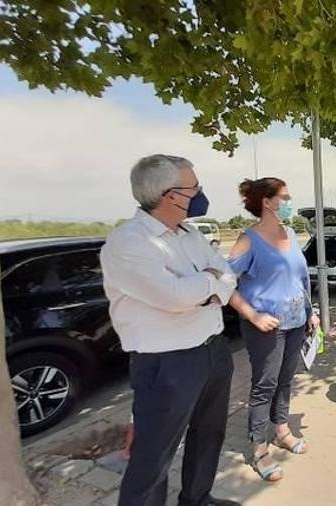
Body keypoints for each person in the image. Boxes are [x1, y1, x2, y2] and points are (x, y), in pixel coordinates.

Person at [100, 154, 239, 506]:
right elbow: (174, 297)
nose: (200, 192)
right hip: (166, 364)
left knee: (209, 433)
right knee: (153, 457)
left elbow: (228, 276)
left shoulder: (190, 234)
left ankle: (197, 498)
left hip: (212, 351)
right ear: (169, 195)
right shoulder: (128, 243)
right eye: (194, 186)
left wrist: (205, 287)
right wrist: (209, 284)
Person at [226, 178, 319, 481]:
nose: (290, 201)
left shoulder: (290, 233)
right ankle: (259, 447)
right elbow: (223, 284)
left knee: (285, 380)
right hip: (267, 327)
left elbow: (300, 278)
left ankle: (281, 430)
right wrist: (253, 315)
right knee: (264, 386)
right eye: (285, 197)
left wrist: (310, 311)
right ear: (267, 202)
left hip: (295, 323)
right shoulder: (248, 240)